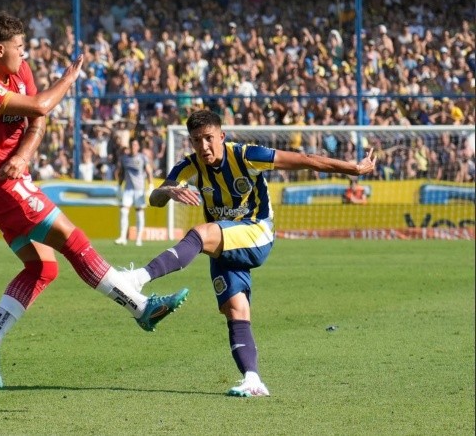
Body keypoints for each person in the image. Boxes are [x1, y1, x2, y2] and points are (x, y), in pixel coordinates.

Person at [0, 13, 189, 388]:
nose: (23, 52)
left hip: (12, 179)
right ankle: (142, 308)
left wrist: (24, 156)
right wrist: (68, 79)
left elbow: (37, 122)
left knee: (42, 269)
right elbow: (42, 106)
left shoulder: (20, 71)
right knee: (73, 239)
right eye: (18, 47)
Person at [120, 110, 377, 397]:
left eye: (208, 139)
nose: (203, 147)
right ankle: (253, 381)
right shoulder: (188, 167)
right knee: (236, 310)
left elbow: (304, 160)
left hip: (256, 232)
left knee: (201, 233)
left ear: (222, 136)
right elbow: (155, 199)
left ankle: (137, 278)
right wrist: (168, 191)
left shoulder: (245, 155)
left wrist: (353, 169)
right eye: (196, 141)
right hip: (226, 243)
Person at [115, 138, 154, 246]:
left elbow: (149, 171)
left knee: (139, 213)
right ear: (129, 146)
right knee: (123, 211)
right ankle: (123, 237)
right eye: (132, 145)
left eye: (135, 145)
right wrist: (119, 186)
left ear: (138, 146)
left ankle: (139, 238)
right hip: (128, 189)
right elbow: (121, 173)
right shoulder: (124, 158)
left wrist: (150, 185)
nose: (134, 147)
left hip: (139, 190)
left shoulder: (142, 158)